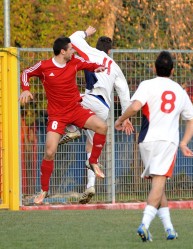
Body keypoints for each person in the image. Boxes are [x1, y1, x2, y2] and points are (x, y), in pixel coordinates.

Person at [115, 51, 193, 242]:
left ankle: (169, 229)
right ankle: (144, 224)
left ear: (154, 68)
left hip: (145, 141)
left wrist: (121, 119)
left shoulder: (146, 85)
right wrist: (184, 142)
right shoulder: (179, 90)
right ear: (173, 70)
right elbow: (192, 119)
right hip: (167, 142)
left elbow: (135, 107)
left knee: (158, 186)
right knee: (159, 183)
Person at [19, 36, 108, 205]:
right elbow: (26, 73)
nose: (73, 51)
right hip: (57, 116)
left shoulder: (73, 61)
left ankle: (93, 161)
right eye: (71, 49)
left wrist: (98, 67)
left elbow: (87, 63)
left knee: (102, 127)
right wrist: (25, 89)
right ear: (63, 52)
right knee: (50, 151)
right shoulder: (44, 66)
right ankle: (44, 189)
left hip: (75, 110)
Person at [60, 26, 133, 204]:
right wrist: (126, 117)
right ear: (109, 51)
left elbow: (72, 38)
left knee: (63, 99)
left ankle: (71, 129)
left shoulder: (90, 51)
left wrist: (85, 33)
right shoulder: (114, 66)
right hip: (104, 108)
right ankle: (90, 186)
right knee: (91, 146)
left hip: (91, 99)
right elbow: (123, 92)